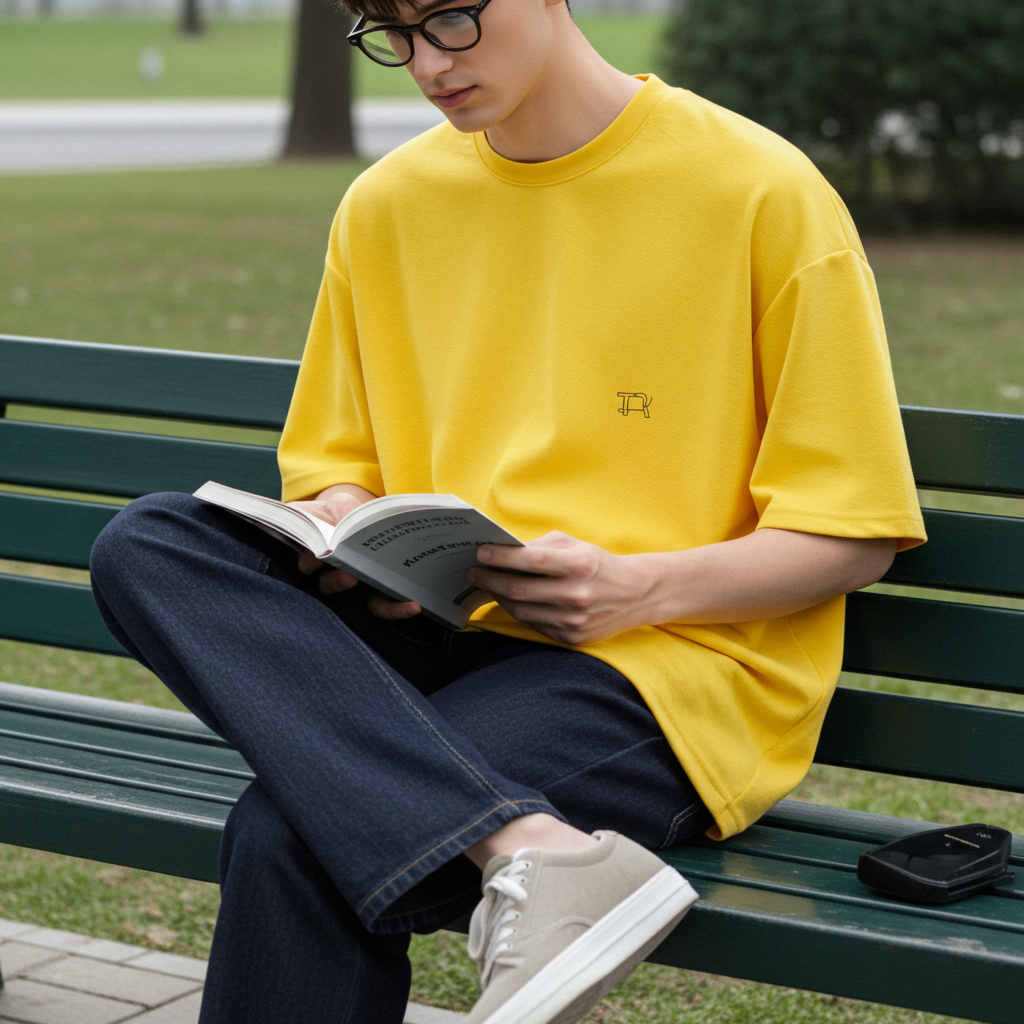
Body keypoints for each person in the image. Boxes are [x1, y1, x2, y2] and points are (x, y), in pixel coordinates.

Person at [89, 0, 927, 1021]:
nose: (426, 62)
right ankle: (531, 847)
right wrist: (353, 531)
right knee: (150, 540)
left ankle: (531, 851)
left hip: (665, 661)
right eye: (390, 33)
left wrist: (635, 587)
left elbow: (853, 532)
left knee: (291, 832)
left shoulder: (756, 190)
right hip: (442, 629)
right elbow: (335, 466)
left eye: (449, 17)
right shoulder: (388, 203)